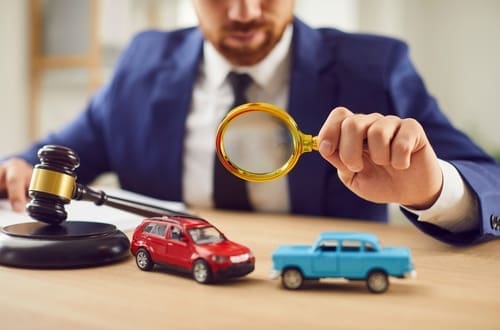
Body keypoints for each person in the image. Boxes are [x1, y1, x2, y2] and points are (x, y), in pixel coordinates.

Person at [0, 0, 499, 246]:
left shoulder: (377, 67)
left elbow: (489, 183)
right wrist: (17, 169)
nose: (243, 12)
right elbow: (48, 156)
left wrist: (434, 189)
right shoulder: (140, 62)